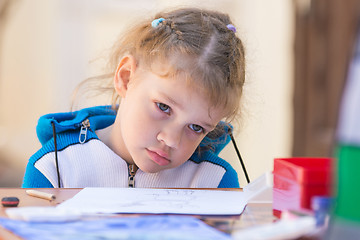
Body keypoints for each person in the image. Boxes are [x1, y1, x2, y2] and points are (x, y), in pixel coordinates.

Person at [22, 7, 246, 188]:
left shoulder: (215, 182)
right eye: (163, 107)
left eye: (196, 127)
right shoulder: (54, 169)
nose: (171, 141)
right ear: (126, 77)